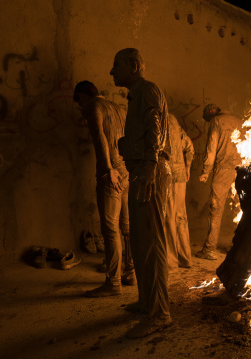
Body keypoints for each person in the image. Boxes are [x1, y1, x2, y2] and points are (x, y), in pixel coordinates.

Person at [110, 48, 172, 338]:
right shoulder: (137, 94)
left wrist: (149, 165)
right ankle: (146, 302)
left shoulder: (147, 90)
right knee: (140, 240)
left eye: (116, 66)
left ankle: (159, 314)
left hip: (150, 172)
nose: (112, 72)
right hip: (141, 170)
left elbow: (155, 130)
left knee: (152, 241)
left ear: (134, 66)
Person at [73, 81, 136, 297]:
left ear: (82, 97)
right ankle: (131, 272)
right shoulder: (118, 108)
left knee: (110, 229)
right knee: (126, 226)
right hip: (126, 168)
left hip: (112, 171)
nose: (80, 109)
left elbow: (99, 136)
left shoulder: (92, 107)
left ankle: (113, 283)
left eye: (78, 103)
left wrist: (108, 168)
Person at [196, 104, 241, 260]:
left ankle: (209, 249)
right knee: (239, 209)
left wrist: (205, 171)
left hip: (223, 169)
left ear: (211, 112)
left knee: (215, 209)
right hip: (241, 169)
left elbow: (211, 148)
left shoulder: (216, 122)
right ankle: (239, 247)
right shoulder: (238, 121)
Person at [166, 114, 195, 269]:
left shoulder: (155, 118)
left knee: (168, 219)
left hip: (167, 176)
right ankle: (186, 259)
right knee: (180, 217)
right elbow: (190, 146)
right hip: (180, 175)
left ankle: (170, 262)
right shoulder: (173, 120)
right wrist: (187, 167)